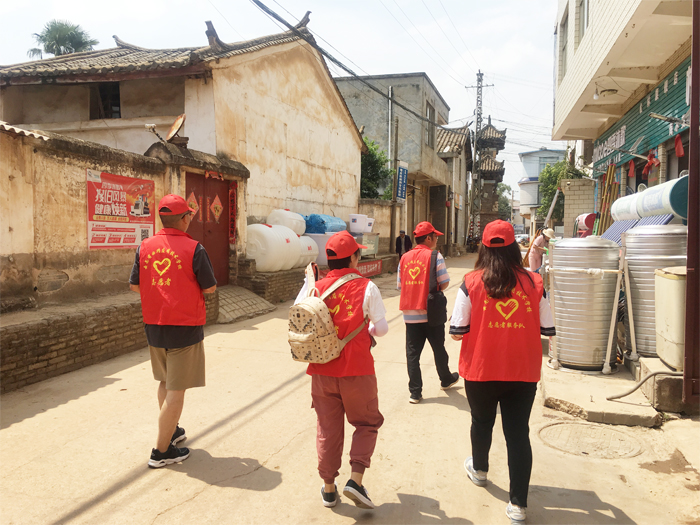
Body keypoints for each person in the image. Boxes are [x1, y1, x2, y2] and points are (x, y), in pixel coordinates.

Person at [449, 220, 555, 523]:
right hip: (522, 371)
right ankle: (518, 505)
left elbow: (456, 331)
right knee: (518, 433)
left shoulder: (470, 282)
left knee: (481, 422)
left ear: (483, 248)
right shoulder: (534, 282)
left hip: (481, 370)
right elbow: (548, 328)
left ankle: (480, 470)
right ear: (513, 249)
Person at [294, 230, 389, 510]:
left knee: (328, 428)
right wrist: (367, 330)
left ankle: (328, 488)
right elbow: (382, 329)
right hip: (357, 370)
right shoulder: (367, 287)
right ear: (354, 258)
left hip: (321, 370)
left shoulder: (314, 287)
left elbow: (298, 315)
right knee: (367, 423)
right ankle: (355, 481)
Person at [129, 194, 217, 468]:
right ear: (184, 219)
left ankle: (172, 430)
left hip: (154, 325)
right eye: (189, 214)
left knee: (165, 382)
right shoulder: (194, 249)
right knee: (177, 390)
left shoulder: (144, 247)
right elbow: (210, 287)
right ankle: (161, 451)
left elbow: (134, 285)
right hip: (184, 327)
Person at [397, 221, 459, 404]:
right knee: (438, 348)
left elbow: (400, 285)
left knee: (412, 354)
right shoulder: (435, 256)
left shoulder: (404, 258)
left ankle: (415, 393)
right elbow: (444, 282)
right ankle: (445, 379)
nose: (437, 239)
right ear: (429, 238)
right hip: (431, 312)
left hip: (410, 313)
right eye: (435, 236)